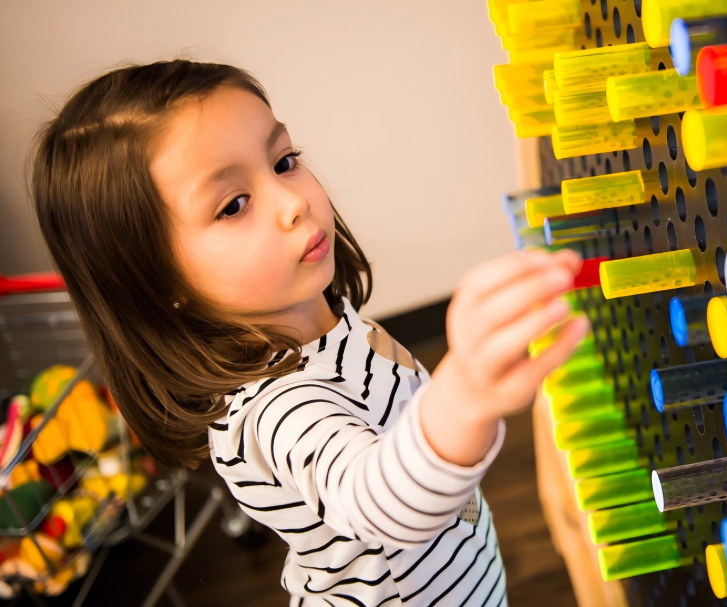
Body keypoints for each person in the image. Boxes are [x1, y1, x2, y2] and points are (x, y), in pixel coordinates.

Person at [30, 60, 589, 605]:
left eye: (283, 161)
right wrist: (464, 396)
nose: (293, 202)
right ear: (156, 283)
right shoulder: (277, 408)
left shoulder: (321, 321)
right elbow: (380, 503)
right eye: (234, 205)